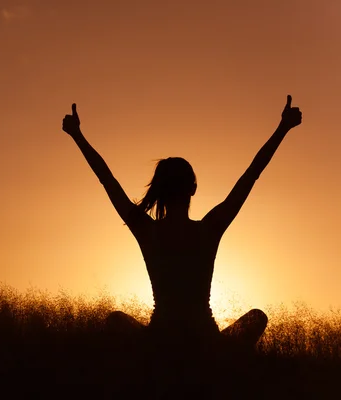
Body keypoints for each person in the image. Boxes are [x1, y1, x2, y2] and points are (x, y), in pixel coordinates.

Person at [61, 96, 302, 392]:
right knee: (256, 319)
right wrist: (283, 128)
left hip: (158, 345)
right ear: (193, 189)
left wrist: (78, 136)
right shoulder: (209, 228)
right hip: (208, 347)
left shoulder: (146, 230)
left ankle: (144, 377)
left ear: (159, 189)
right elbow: (251, 175)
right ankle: (224, 379)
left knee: (115, 321)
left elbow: (106, 179)